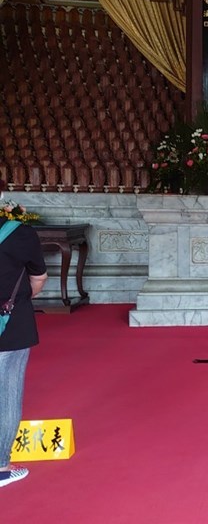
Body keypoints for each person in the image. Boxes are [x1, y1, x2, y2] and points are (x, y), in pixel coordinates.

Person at [1, 180, 48, 488]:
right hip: (10, 326)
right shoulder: (19, 233)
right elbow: (38, 278)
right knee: (7, 394)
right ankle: (1, 467)